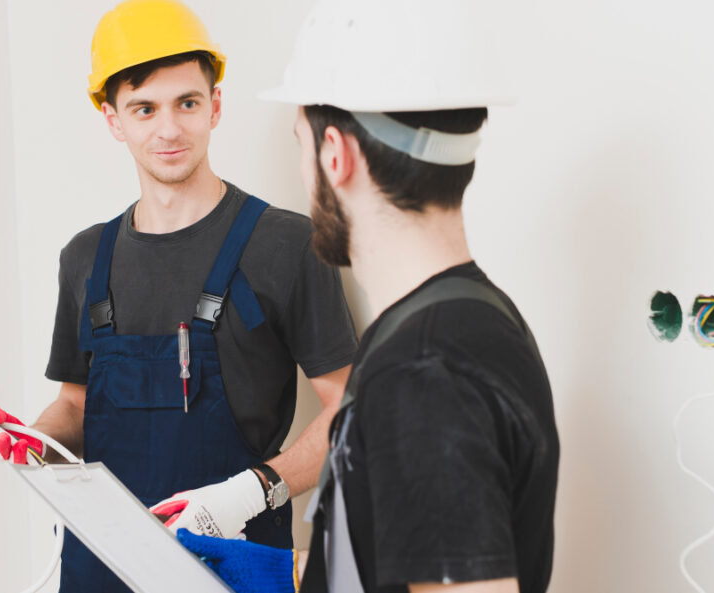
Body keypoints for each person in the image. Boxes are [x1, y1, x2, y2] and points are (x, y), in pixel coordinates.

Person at [0, 1, 358, 591]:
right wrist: (35, 446)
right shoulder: (84, 259)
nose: (169, 129)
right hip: (98, 572)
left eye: (188, 103)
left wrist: (255, 489)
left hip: (234, 567)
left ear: (215, 106)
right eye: (144, 108)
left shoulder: (285, 245)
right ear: (112, 119)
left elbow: (349, 407)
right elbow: (75, 407)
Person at [175, 1, 561, 592]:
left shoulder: (424, 374)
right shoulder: (458, 322)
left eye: (299, 144)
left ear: (336, 154)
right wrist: (290, 578)